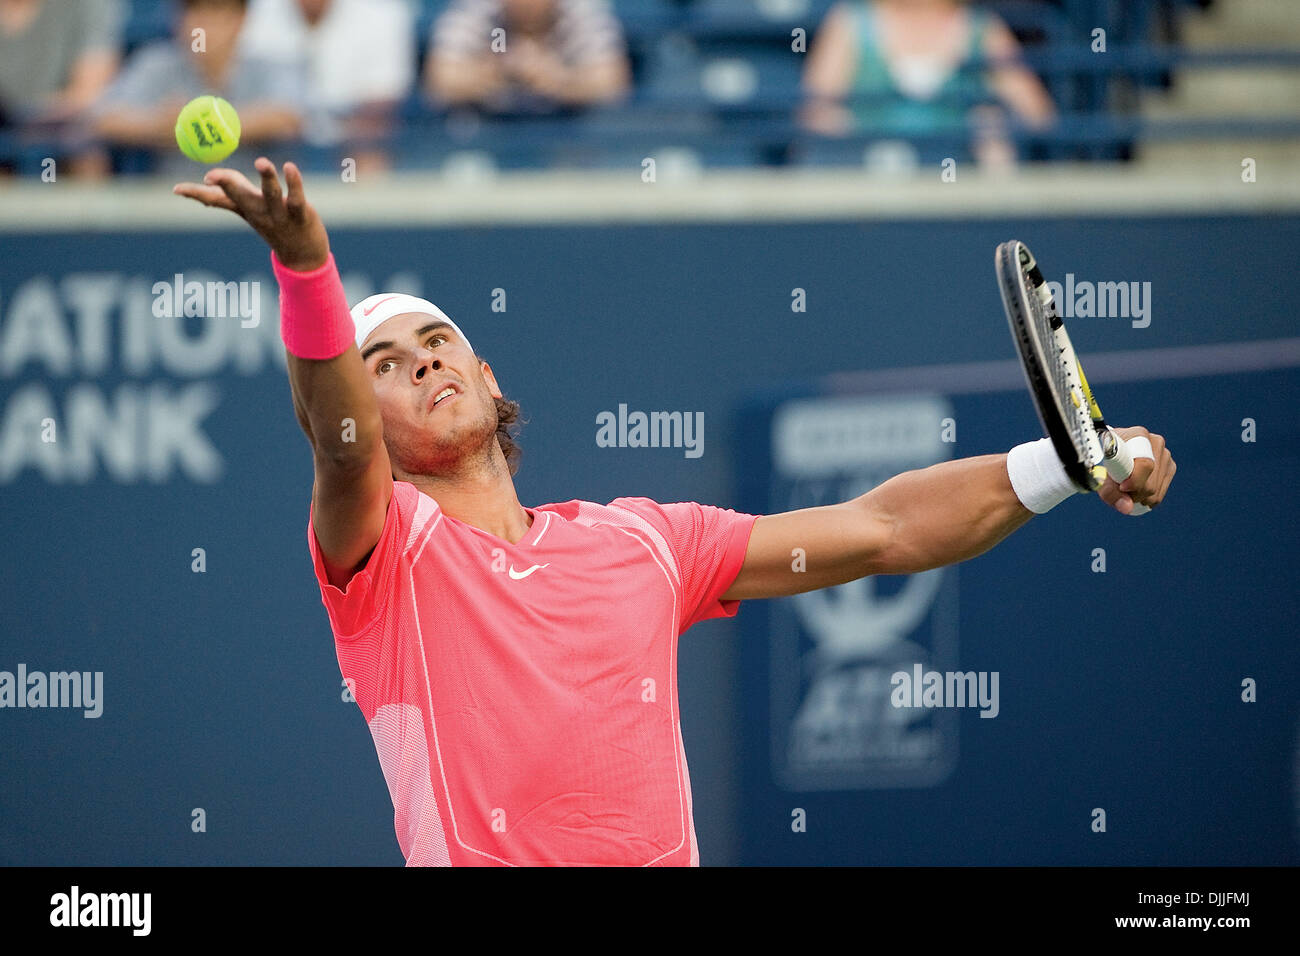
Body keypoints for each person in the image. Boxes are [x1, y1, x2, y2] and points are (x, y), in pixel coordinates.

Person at [173, 157, 1176, 866]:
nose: (422, 361)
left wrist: (1062, 463)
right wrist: (306, 265)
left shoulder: (642, 541)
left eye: (436, 341)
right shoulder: (385, 549)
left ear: (485, 371)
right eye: (383, 366)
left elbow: (885, 528)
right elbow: (336, 438)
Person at [802, 0, 1056, 168]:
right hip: (867, 185)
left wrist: (992, 123)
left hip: (956, 192)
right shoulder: (851, 21)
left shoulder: (982, 27)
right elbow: (816, 114)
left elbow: (1039, 116)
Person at [94, 0, 303, 178]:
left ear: (241, 19)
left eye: (217, 12)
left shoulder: (267, 66)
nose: (204, 28)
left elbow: (290, 115)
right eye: (195, 12)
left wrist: (205, 127)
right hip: (173, 205)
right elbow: (104, 118)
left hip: (252, 207)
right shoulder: (156, 64)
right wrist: (156, 126)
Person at [238, 0, 416, 174]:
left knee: (370, 155)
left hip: (354, 140)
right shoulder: (259, 12)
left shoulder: (382, 15)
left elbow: (381, 106)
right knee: (262, 163)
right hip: (277, 143)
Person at [425, 0, 630, 113]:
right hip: (487, 126)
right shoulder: (476, 8)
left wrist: (559, 80)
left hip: (571, 128)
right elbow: (439, 81)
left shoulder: (582, 10)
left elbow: (612, 83)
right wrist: (496, 72)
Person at [0, 0, 126, 178]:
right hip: (10, 125)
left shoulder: (88, 5)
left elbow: (89, 95)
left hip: (61, 130)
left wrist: (26, 115)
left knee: (84, 149)